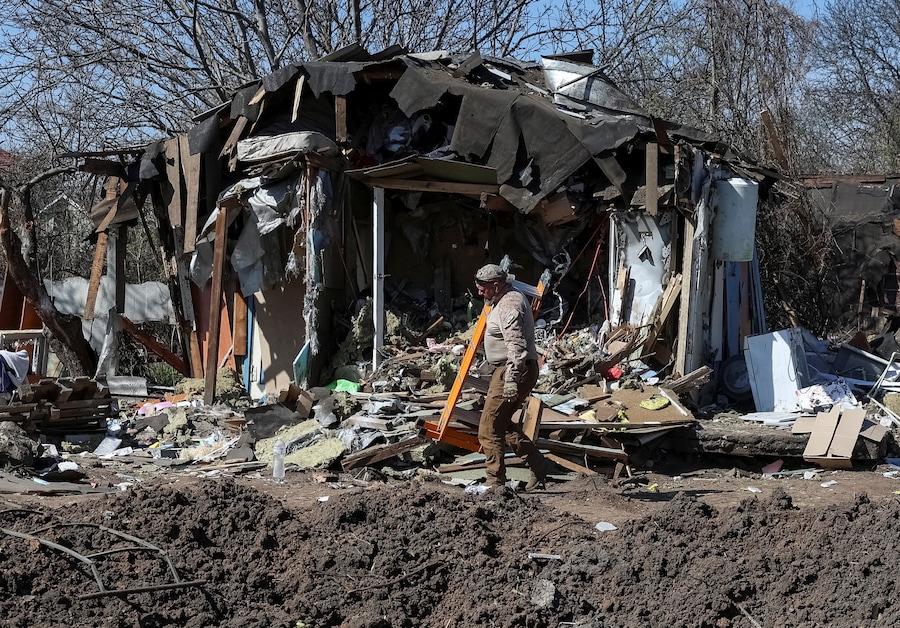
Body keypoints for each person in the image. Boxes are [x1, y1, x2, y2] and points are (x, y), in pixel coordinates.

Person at [474, 263, 550, 491]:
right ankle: (539, 466)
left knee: (488, 429)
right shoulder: (503, 299)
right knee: (503, 425)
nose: (479, 292)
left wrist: (510, 379)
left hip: (513, 369)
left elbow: (516, 345)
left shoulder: (509, 304)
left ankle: (495, 483)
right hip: (512, 369)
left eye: (482, 288)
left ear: (496, 286)